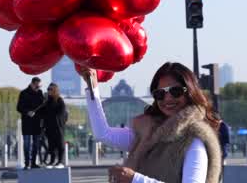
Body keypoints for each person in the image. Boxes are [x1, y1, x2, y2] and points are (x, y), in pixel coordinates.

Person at [83, 61, 223, 183]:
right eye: (160, 94)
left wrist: (135, 179)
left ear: (190, 92)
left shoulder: (194, 139)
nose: (167, 99)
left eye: (175, 91)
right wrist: (92, 87)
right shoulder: (148, 132)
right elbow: (103, 134)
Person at [18, 76, 47, 169]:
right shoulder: (23, 93)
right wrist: (27, 112)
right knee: (26, 144)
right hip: (27, 123)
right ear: (32, 84)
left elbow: (42, 108)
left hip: (36, 123)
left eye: (39, 86)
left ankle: (33, 163)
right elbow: (18, 107)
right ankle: (27, 163)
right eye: (37, 86)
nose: (38, 88)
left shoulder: (40, 93)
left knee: (35, 144)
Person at [41, 82, 69, 166]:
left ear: (55, 90)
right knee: (51, 145)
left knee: (60, 144)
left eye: (50, 89)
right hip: (49, 127)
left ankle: (60, 161)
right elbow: (43, 112)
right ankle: (52, 160)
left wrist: (57, 119)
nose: (48, 91)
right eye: (48, 89)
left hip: (58, 126)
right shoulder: (47, 101)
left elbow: (62, 112)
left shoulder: (59, 100)